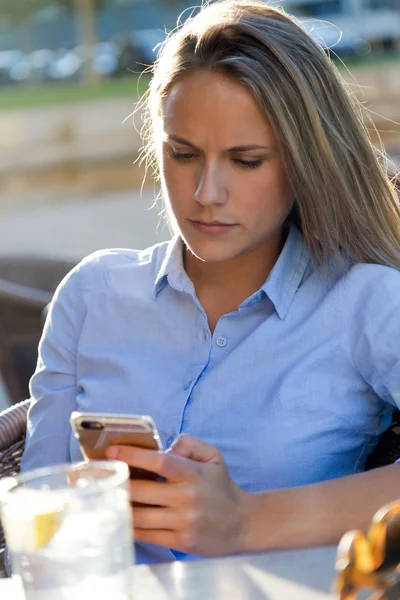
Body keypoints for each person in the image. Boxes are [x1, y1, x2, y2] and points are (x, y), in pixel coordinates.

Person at [21, 0, 400, 565]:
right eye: (183, 154)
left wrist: (244, 521)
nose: (207, 193)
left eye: (246, 161)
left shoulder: (365, 302)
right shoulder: (93, 294)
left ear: (304, 163)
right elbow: (38, 513)